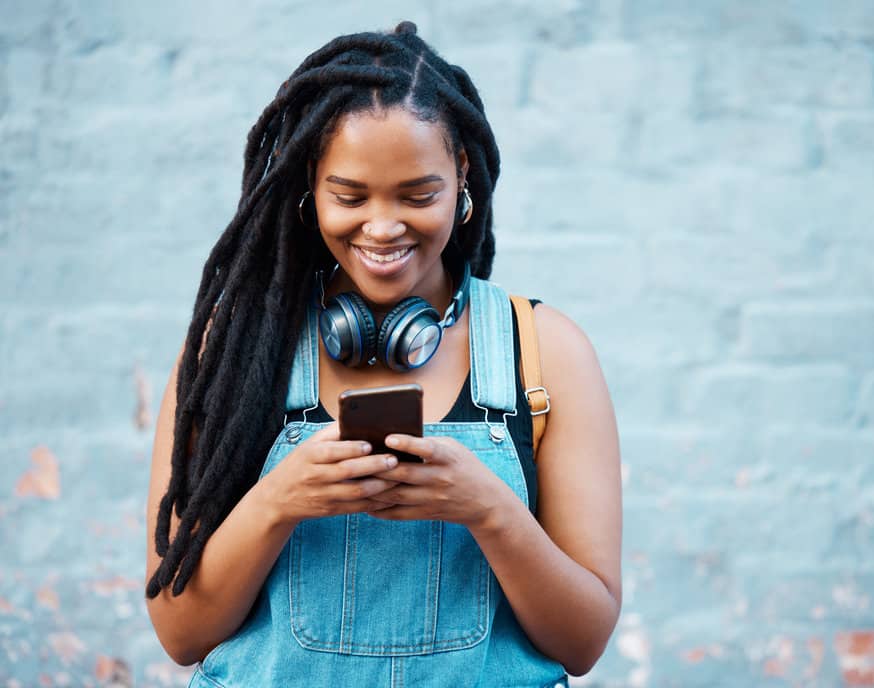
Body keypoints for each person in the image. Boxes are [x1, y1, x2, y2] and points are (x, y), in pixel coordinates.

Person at [144, 20, 621, 688]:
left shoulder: (545, 352)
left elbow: (582, 643)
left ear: (462, 179)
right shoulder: (232, 350)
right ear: (310, 185)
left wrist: (489, 510)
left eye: (418, 195)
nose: (382, 227)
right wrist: (279, 501)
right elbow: (180, 633)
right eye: (349, 196)